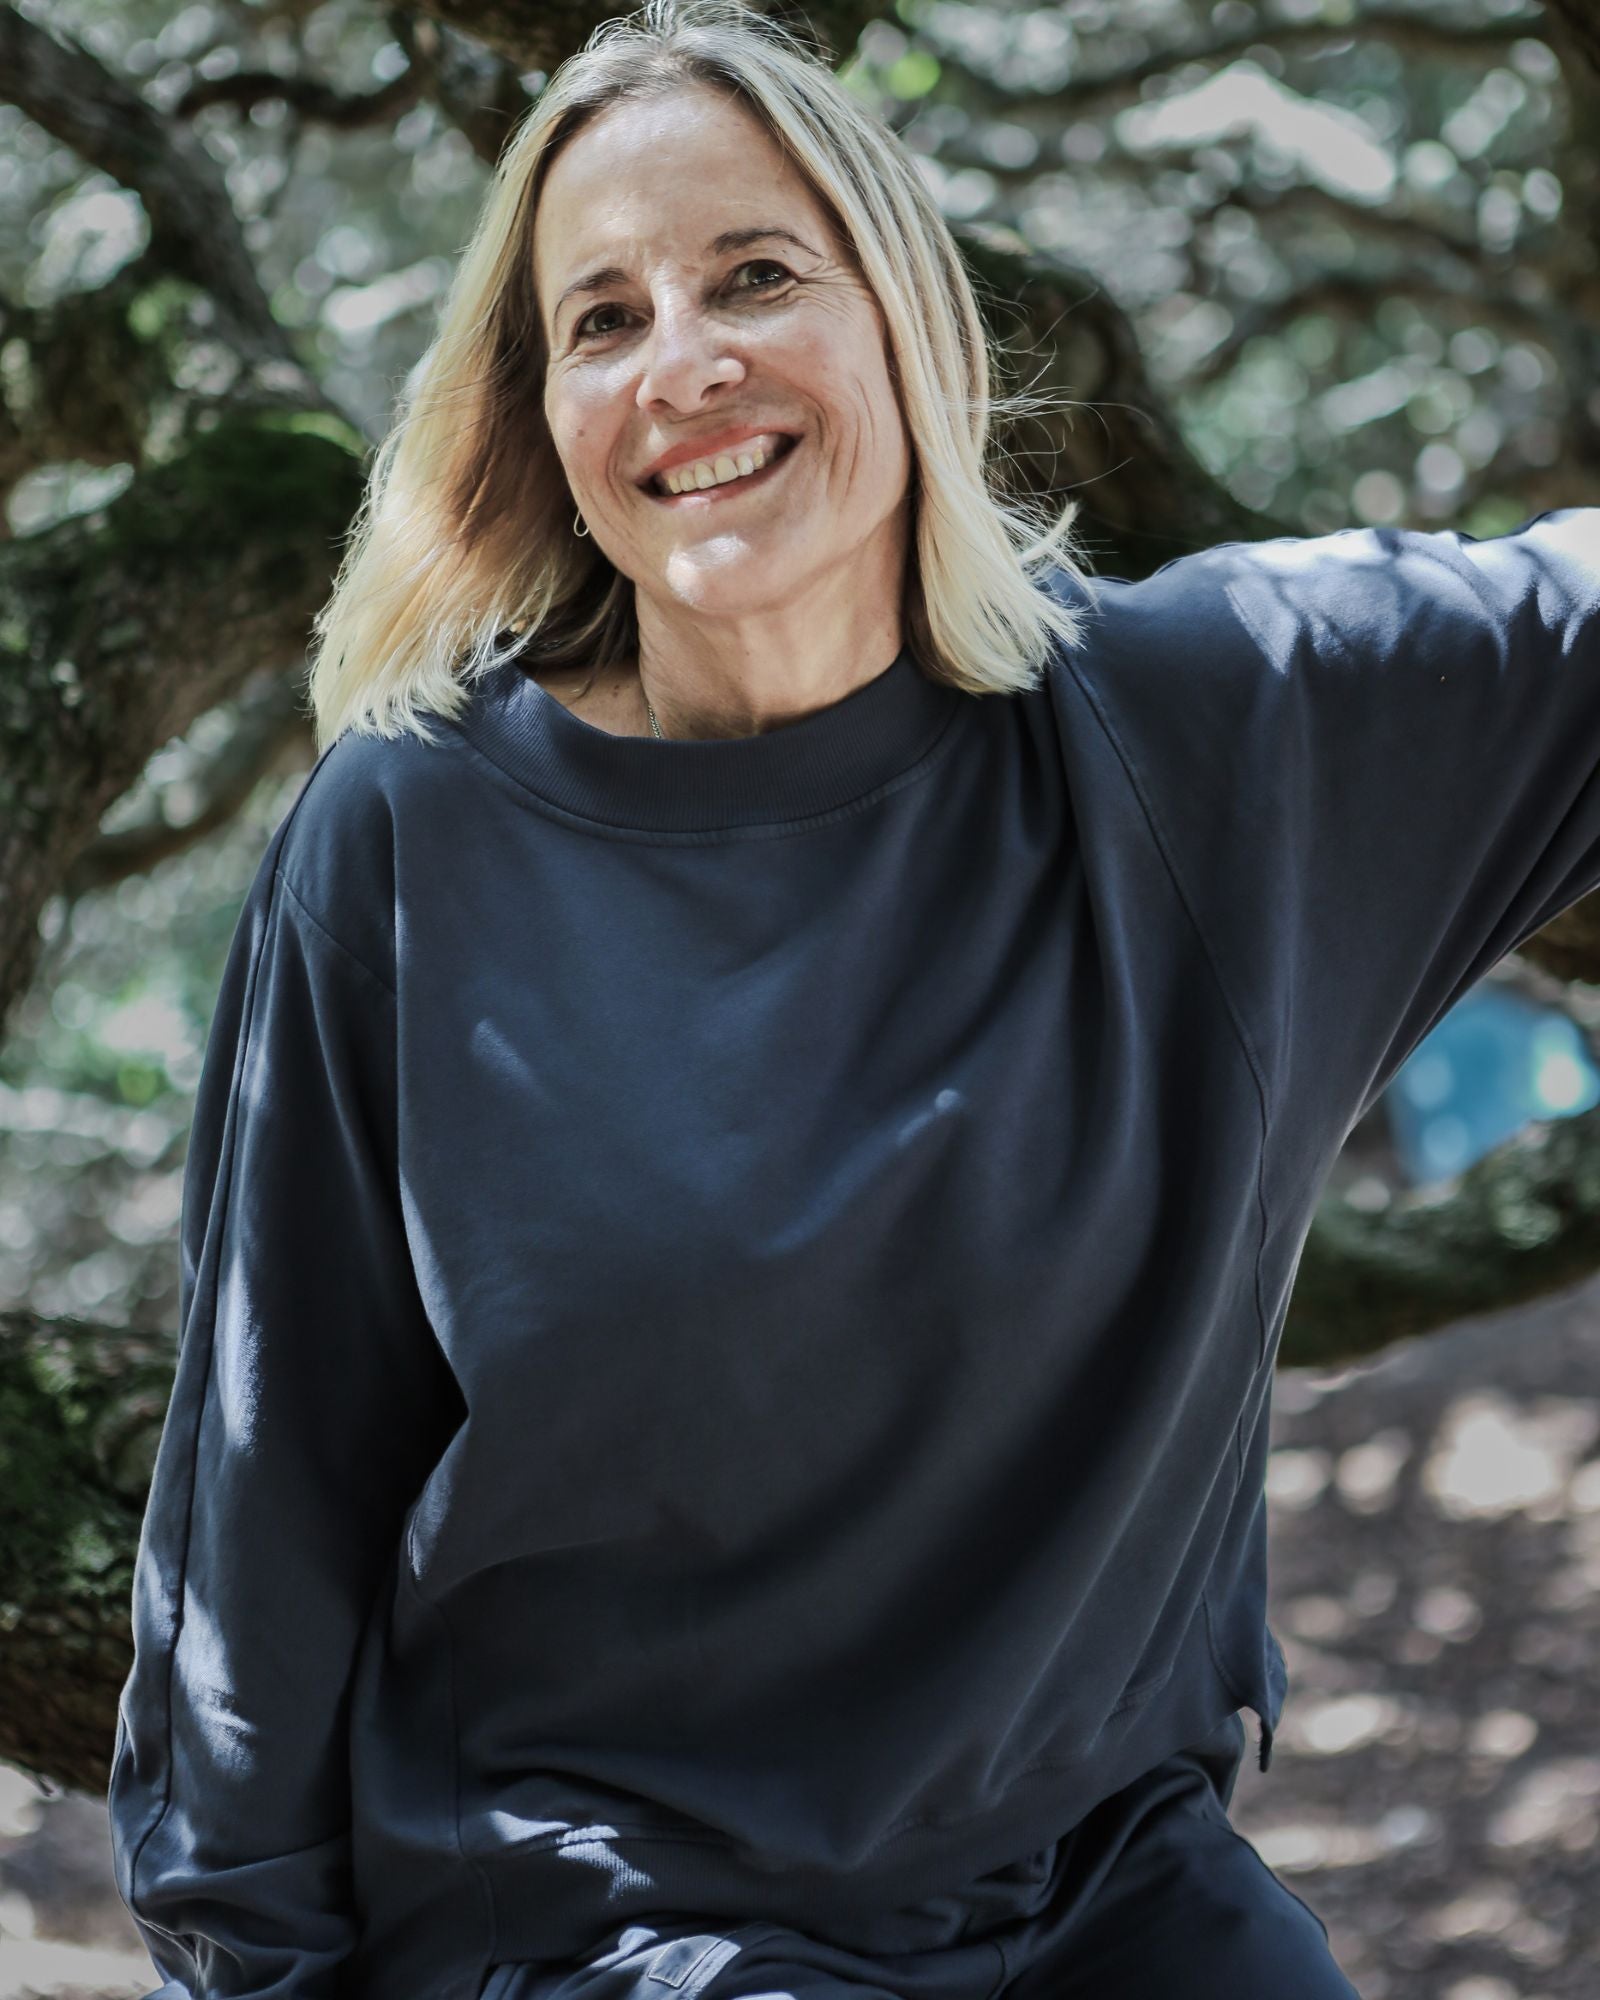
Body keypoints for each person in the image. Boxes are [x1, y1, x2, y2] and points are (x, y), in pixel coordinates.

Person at [104, 1, 1600, 1995]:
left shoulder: (1204, 735)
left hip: (1103, 1882)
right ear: (540, 413)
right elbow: (259, 1515)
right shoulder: (408, 850)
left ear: (904, 316)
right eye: (603, 319)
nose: (683, 364)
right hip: (614, 1921)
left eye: (751, 276)